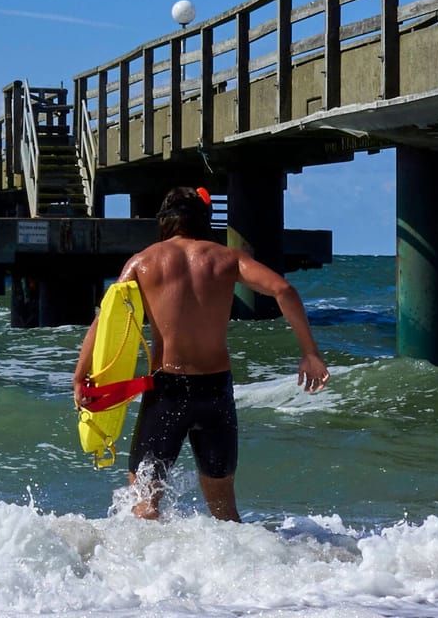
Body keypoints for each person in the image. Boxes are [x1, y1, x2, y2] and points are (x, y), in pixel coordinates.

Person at [72, 185, 329, 521]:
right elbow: (284, 289)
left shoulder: (143, 262)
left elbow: (107, 317)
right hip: (215, 393)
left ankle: (141, 572)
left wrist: (80, 376)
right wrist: (310, 352)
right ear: (204, 220)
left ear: (164, 220)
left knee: (145, 506)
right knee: (225, 512)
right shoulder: (228, 258)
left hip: (167, 391)